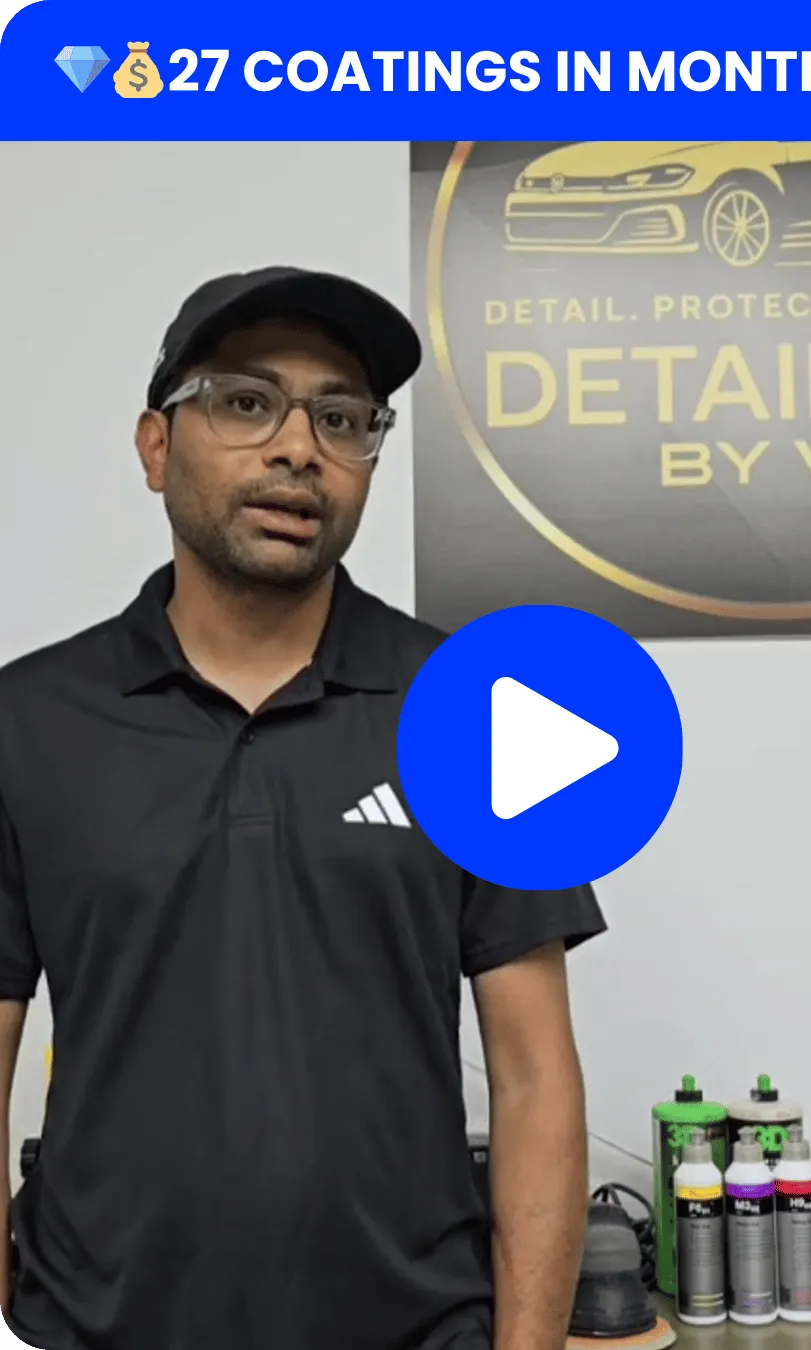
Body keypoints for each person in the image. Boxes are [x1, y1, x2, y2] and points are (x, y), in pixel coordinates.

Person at [0, 266, 607, 1350]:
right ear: (155, 446)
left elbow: (534, 1079)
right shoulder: (25, 721)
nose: (298, 449)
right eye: (246, 402)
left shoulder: (480, 713)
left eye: (342, 418)